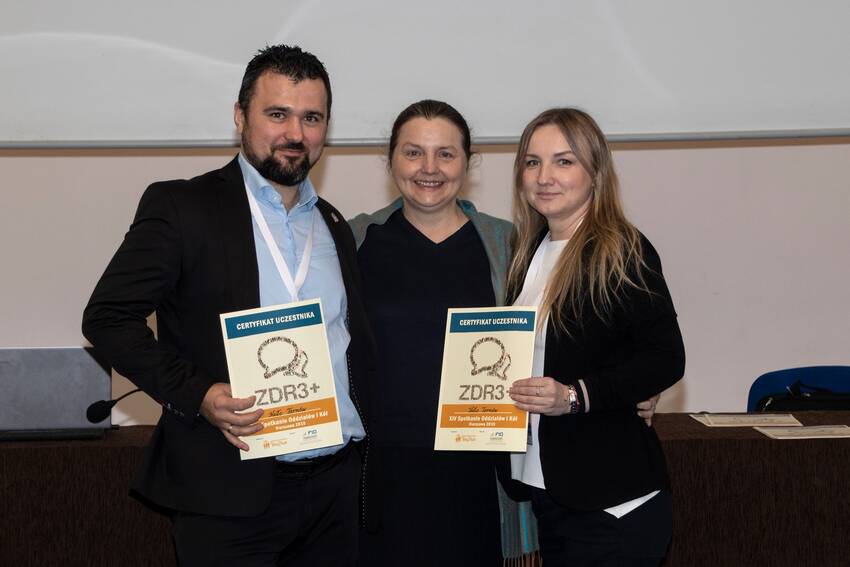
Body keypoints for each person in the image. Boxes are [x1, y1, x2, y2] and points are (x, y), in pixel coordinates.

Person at [82, 45, 374, 567]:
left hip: (335, 491)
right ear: (240, 116)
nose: (295, 133)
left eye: (311, 118)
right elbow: (107, 318)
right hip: (228, 493)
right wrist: (199, 394)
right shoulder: (182, 207)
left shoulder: (334, 225)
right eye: (277, 114)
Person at [348, 100, 661, 566]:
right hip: (384, 473)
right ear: (390, 160)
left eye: (446, 154)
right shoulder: (353, 240)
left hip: (480, 478)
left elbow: (567, 339)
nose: (429, 168)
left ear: (468, 163)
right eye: (413, 153)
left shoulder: (510, 244)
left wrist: (627, 386)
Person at [506, 108, 686, 566]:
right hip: (553, 493)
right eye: (532, 162)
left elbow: (665, 357)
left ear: (595, 173)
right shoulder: (529, 252)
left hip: (612, 502)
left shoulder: (621, 249)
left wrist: (574, 397)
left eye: (564, 161)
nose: (544, 177)